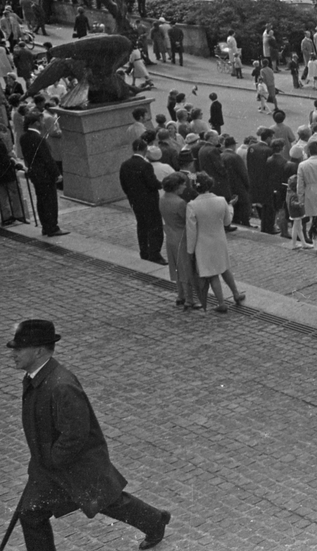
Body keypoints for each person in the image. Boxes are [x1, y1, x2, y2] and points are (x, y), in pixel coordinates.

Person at [8, 319, 172, 551]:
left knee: (110, 502)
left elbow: (75, 434)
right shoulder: (36, 378)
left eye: (19, 348)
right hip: (53, 467)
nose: (13, 353)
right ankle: (155, 520)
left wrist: (50, 459)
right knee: (31, 513)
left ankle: (155, 521)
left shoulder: (61, 385)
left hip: (78, 467)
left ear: (38, 350)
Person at [186, 172, 246, 313]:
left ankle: (221, 302)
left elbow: (191, 231)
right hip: (219, 239)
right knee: (224, 268)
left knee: (212, 273)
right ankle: (236, 293)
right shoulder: (221, 200)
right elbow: (227, 221)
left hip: (203, 243)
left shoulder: (192, 205)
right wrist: (230, 207)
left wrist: (190, 250)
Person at [119, 139, 166, 264]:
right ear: (145, 150)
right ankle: (155, 254)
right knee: (155, 227)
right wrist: (161, 184)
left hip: (135, 201)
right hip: (150, 201)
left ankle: (144, 252)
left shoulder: (125, 164)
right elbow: (152, 183)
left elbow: (124, 185)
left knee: (142, 226)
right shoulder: (145, 165)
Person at [19, 114, 66, 236]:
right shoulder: (39, 139)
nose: (42, 124)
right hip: (45, 175)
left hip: (35, 174)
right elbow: (47, 159)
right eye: (40, 121)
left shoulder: (23, 138)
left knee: (41, 200)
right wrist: (57, 174)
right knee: (50, 201)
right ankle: (52, 227)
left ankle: (45, 226)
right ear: (34, 123)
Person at [159, 172, 200, 309]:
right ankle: (190, 299)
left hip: (170, 235)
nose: (184, 186)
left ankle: (180, 295)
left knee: (176, 269)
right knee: (186, 269)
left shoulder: (163, 199)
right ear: (176, 187)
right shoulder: (180, 203)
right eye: (182, 184)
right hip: (182, 237)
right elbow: (187, 220)